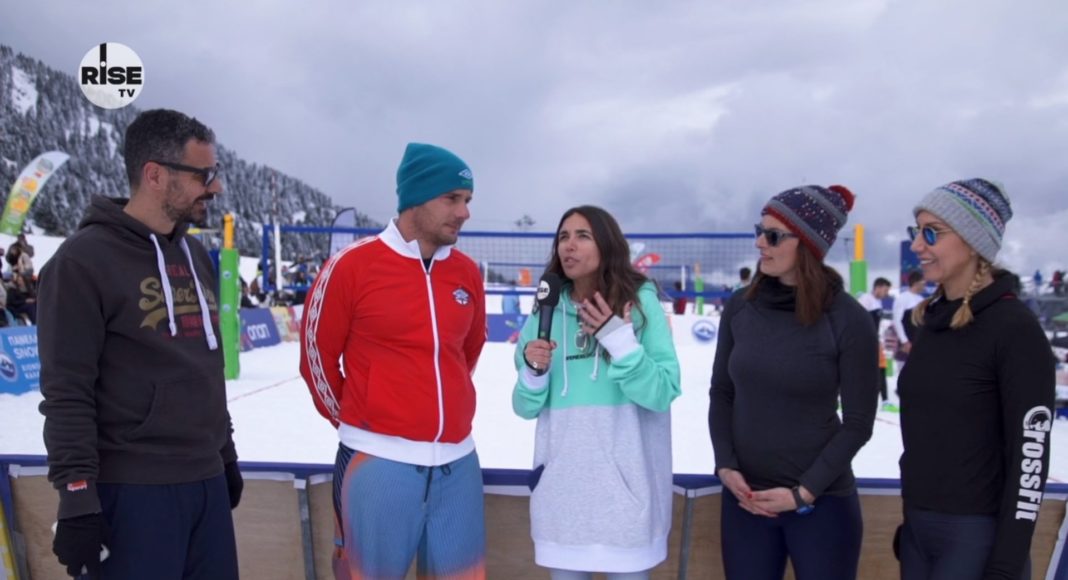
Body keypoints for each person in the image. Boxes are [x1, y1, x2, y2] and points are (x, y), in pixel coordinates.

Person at [37, 109, 241, 579]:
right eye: (203, 175)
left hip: (205, 483)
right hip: (132, 492)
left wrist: (224, 452)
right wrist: (76, 496)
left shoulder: (194, 254)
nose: (215, 187)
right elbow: (67, 392)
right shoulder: (81, 263)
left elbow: (205, 366)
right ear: (155, 175)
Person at [300, 143, 487, 580]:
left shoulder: (465, 272)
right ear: (416, 198)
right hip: (377, 463)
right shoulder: (352, 266)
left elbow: (467, 352)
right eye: (452, 199)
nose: (464, 212)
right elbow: (316, 358)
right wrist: (364, 420)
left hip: (458, 463)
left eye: (467, 200)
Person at [708, 185, 878, 580]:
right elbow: (722, 392)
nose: (759, 243)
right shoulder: (740, 307)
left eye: (772, 235)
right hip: (747, 501)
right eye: (759, 231)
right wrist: (725, 465)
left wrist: (803, 493)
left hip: (820, 507)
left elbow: (858, 423)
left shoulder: (848, 319)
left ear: (807, 244)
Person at [898, 179, 1055, 579]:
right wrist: (913, 520)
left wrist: (1006, 564)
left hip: (977, 539)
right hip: (918, 532)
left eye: (931, 232)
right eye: (916, 231)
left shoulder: (1013, 329)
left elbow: (1030, 456)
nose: (916, 245)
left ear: (972, 242)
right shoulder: (931, 322)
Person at [513, 205, 681, 579]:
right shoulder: (545, 311)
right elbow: (524, 407)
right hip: (562, 506)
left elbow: (663, 392)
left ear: (607, 245)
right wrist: (534, 372)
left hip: (628, 507)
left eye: (582, 236)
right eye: (563, 237)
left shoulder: (640, 303)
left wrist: (618, 339)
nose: (568, 245)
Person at [858, 277, 893, 408]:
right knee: (858, 371)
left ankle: (885, 401)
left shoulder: (878, 302)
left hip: (874, 340)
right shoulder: (865, 300)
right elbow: (857, 320)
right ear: (878, 287)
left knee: (881, 368)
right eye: (885, 290)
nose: (886, 293)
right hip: (864, 341)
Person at [891, 270, 926, 361]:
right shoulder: (902, 298)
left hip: (919, 341)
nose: (924, 286)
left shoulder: (921, 300)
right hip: (906, 342)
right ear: (916, 283)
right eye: (923, 283)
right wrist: (904, 341)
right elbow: (897, 321)